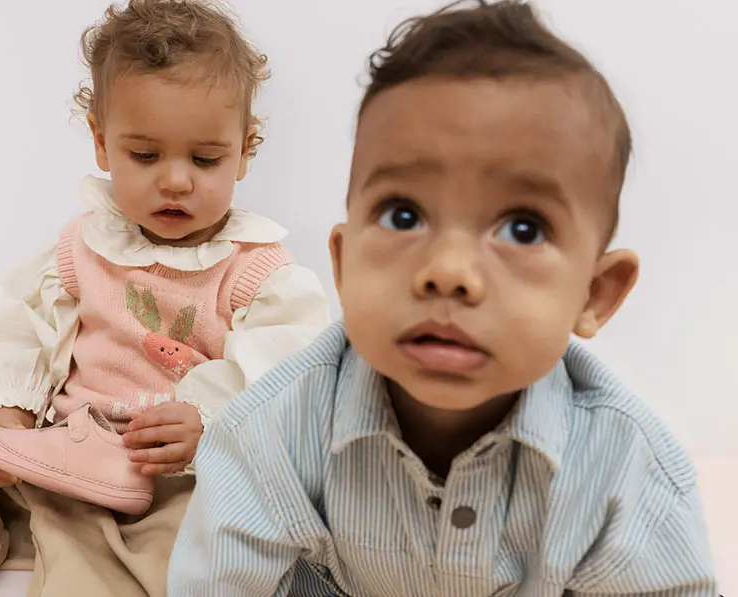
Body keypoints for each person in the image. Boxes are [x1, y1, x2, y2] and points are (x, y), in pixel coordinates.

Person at [167, 1, 719, 595]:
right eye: (404, 216)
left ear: (594, 293)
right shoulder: (271, 432)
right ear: (345, 263)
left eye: (523, 228)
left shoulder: (630, 474)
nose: (449, 272)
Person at [0, 0, 329, 595]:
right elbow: (25, 324)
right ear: (101, 142)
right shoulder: (81, 249)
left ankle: (93, 563)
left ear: (246, 151)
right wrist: (7, 408)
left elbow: (288, 376)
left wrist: (208, 424)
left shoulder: (256, 271)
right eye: (144, 155)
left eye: (205, 158)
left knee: (191, 539)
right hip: (57, 449)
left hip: (167, 476)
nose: (175, 179)